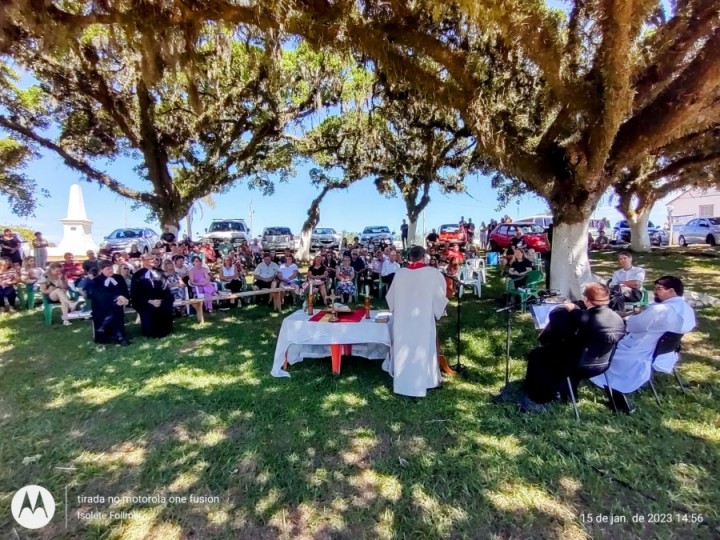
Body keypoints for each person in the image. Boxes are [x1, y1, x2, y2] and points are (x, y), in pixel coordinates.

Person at [591, 276, 696, 408]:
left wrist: (636, 315)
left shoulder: (660, 310)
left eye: (658, 289)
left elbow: (632, 326)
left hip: (638, 351)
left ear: (672, 291)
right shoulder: (687, 309)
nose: (655, 292)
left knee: (603, 345)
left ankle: (599, 375)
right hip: (665, 352)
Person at [521, 283, 625, 408]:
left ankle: (540, 395)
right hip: (602, 366)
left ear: (586, 299)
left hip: (577, 366)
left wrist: (567, 306)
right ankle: (566, 391)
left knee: (537, 354)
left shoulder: (582, 317)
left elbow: (555, 316)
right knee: (561, 352)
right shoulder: (618, 319)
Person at [383, 246, 448, 397]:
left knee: (404, 348)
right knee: (425, 346)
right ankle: (427, 381)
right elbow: (440, 297)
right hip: (423, 319)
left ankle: (403, 382)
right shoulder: (433, 273)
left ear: (410, 257)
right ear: (424, 256)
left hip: (403, 320)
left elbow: (390, 298)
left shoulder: (400, 274)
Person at [131, 254, 174, 338]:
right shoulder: (137, 275)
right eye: (150, 259)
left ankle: (166, 330)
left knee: (166, 306)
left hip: (161, 300)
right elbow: (136, 292)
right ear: (143, 261)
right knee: (149, 319)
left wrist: (161, 300)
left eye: (154, 258)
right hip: (146, 302)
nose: (153, 260)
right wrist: (150, 301)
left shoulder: (160, 272)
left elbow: (166, 287)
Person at [90, 260, 131, 345]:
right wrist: (116, 298)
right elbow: (99, 296)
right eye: (108, 269)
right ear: (101, 270)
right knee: (114, 309)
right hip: (101, 307)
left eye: (111, 268)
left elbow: (124, 292)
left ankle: (119, 335)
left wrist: (124, 299)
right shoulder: (96, 281)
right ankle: (117, 336)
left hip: (119, 304)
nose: (111, 271)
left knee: (116, 307)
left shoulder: (118, 278)